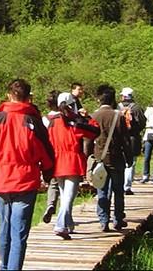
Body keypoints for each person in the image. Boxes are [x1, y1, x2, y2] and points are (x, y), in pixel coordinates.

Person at [0, 78, 56, 271]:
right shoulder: (33, 122)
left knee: (4, 228)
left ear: (8, 96)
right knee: (19, 234)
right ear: (29, 98)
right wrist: (47, 173)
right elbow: (47, 154)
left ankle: (3, 266)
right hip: (26, 182)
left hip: (0, 181)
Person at [47, 91, 99, 239]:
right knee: (69, 196)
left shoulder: (51, 121)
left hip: (57, 160)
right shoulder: (76, 121)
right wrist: (86, 117)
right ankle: (60, 225)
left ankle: (68, 224)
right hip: (72, 160)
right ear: (72, 105)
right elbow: (95, 131)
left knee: (64, 194)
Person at [91, 84, 128, 232]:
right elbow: (125, 140)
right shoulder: (118, 116)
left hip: (99, 158)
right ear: (113, 100)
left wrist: (89, 157)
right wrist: (129, 156)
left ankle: (103, 220)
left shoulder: (93, 116)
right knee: (118, 191)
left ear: (99, 99)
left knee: (102, 190)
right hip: (116, 158)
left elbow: (88, 140)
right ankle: (118, 219)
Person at [118, 87, 145, 195]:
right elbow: (142, 123)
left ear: (123, 96)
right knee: (131, 163)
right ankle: (127, 187)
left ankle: (119, 185)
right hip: (133, 138)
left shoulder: (117, 107)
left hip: (119, 138)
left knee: (120, 162)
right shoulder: (137, 108)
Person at [41, 89, 60, 223]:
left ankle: (50, 204)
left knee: (53, 182)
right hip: (64, 152)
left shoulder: (44, 119)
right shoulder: (66, 117)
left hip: (50, 153)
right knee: (65, 185)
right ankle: (64, 214)